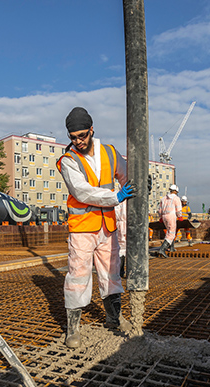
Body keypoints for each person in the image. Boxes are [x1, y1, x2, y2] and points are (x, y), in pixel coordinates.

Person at [56, 107, 135, 349]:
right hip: (82, 228)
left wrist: (139, 181)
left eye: (82, 135)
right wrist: (116, 196)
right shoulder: (68, 160)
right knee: (78, 276)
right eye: (73, 137)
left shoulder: (110, 153)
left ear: (92, 130)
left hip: (107, 227)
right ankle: (73, 329)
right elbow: (81, 191)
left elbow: (126, 176)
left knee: (111, 273)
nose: (78, 141)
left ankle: (114, 317)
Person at [156, 185, 182, 257]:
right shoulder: (176, 198)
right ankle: (162, 249)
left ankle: (171, 248)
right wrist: (179, 216)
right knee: (171, 233)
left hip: (164, 216)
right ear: (176, 191)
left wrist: (161, 217)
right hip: (171, 216)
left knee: (169, 231)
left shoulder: (164, 198)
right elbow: (178, 208)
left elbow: (160, 209)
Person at [115, 200, 127, 278]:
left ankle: (120, 270)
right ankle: (121, 271)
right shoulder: (128, 201)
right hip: (125, 224)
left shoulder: (117, 199)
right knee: (123, 248)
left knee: (120, 248)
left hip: (118, 224)